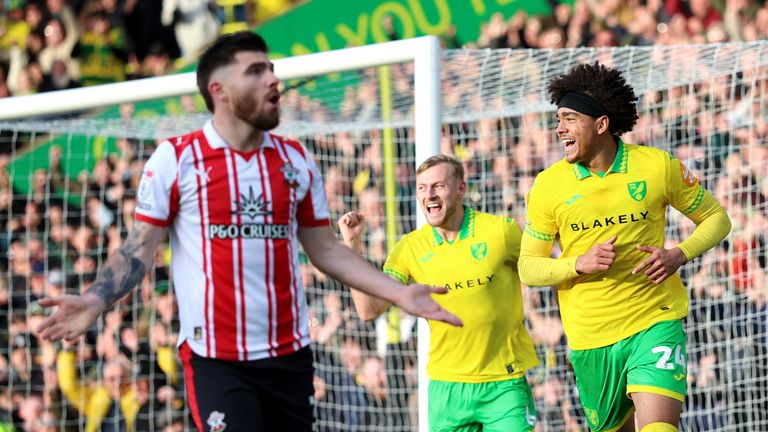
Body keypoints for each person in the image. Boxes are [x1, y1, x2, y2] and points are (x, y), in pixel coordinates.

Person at [35, 31, 461, 432]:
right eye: (256, 71)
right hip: (217, 361)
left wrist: (398, 292)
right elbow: (138, 249)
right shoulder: (176, 160)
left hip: (290, 358)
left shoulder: (295, 160)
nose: (273, 79)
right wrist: (94, 300)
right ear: (219, 90)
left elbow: (326, 250)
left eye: (271, 68)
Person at [519, 62, 732, 432]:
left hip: (654, 320)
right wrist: (577, 264)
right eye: (558, 119)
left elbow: (717, 218)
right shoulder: (548, 186)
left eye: (570, 118)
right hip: (590, 338)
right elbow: (528, 267)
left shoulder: (656, 166)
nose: (559, 128)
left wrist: (679, 254)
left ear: (601, 124)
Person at [339, 154, 539, 431]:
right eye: (422, 188)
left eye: (438, 186)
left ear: (460, 189)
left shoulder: (501, 232)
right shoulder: (409, 248)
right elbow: (369, 310)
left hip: (503, 384)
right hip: (447, 390)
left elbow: (542, 270)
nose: (429, 195)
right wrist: (352, 248)